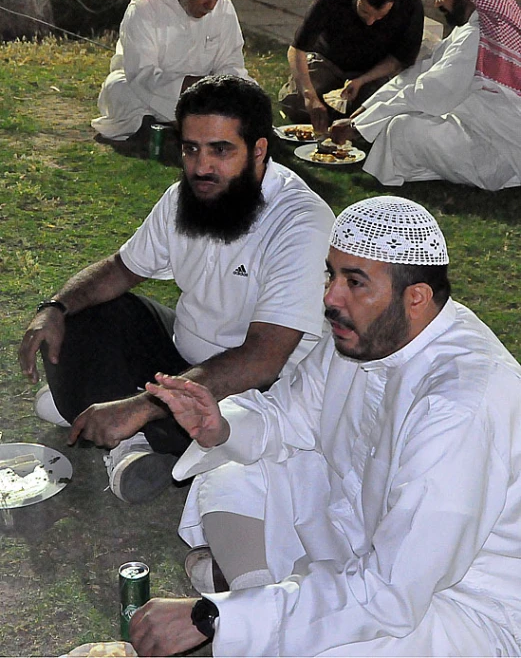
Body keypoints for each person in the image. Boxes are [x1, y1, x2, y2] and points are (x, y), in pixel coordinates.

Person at [130, 196, 521, 657]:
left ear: (416, 298)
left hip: (457, 602)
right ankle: (254, 591)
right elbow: (290, 414)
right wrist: (221, 427)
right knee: (237, 463)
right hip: (360, 538)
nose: (330, 298)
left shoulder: (461, 406)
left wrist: (212, 619)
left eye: (354, 282)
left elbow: (392, 594)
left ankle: (252, 607)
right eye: (331, 274)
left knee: (331, 648)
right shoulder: (368, 333)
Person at [19, 75, 335, 505]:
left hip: (255, 388)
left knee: (210, 423)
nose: (201, 167)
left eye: (220, 150)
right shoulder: (184, 196)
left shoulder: (300, 221)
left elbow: (265, 357)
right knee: (82, 315)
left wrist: (146, 404)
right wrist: (54, 306)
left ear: (259, 150)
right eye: (190, 149)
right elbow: (120, 269)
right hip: (182, 359)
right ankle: (120, 424)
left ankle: (123, 431)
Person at [332, 0, 521, 191]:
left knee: (402, 129)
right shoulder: (475, 30)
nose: (437, 3)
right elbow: (421, 72)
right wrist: (367, 109)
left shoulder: (477, 38)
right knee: (403, 122)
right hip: (485, 134)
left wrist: (357, 128)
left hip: (501, 153)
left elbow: (428, 91)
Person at [91, 0, 251, 141]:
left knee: (246, 92)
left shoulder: (224, 8)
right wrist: (196, 86)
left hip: (206, 93)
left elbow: (231, 62)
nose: (211, 4)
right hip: (149, 90)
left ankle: (183, 125)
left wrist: (223, 87)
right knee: (121, 91)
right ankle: (185, 126)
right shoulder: (144, 9)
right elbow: (142, 75)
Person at [278, 0, 424, 134]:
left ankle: (344, 118)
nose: (370, 22)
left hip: (372, 74)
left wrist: (362, 80)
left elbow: (398, 60)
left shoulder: (410, 2)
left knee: (380, 110)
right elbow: (297, 49)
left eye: (380, 16)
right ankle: (329, 112)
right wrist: (310, 96)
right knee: (295, 101)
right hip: (328, 63)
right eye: (364, 12)